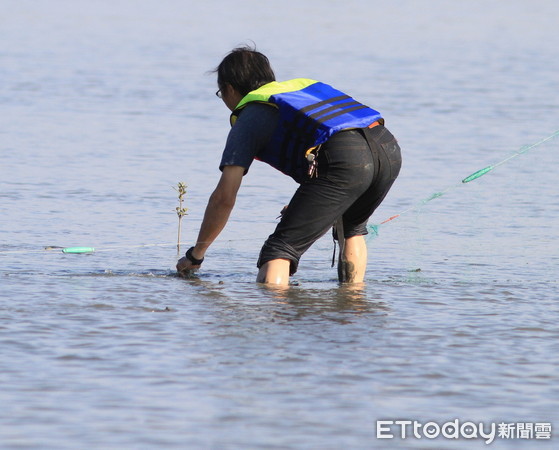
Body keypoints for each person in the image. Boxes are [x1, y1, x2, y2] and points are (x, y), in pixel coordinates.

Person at [176, 45, 401, 285]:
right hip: (388, 148)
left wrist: (196, 255)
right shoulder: (299, 92)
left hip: (345, 157)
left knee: (279, 249)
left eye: (221, 93)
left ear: (229, 89)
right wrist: (307, 203)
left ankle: (275, 317)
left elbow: (224, 197)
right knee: (351, 227)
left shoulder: (251, 114)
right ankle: (352, 306)